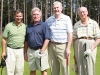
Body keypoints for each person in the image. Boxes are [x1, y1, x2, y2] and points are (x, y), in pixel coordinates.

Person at [45, 1, 73, 75]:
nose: (56, 9)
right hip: (51, 45)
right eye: (54, 8)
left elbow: (70, 34)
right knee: (53, 67)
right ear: (52, 9)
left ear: (61, 8)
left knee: (65, 67)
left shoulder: (66, 18)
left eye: (57, 8)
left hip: (63, 45)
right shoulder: (48, 20)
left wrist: (68, 48)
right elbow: (45, 33)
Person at [73, 6, 100, 75]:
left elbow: (98, 38)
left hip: (90, 44)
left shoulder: (94, 23)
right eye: (80, 12)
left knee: (90, 66)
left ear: (87, 12)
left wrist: (91, 49)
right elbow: (74, 39)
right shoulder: (76, 24)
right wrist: (75, 52)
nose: (82, 13)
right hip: (78, 45)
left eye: (83, 12)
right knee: (80, 66)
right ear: (78, 14)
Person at [24, 7, 50, 75]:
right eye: (34, 14)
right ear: (32, 15)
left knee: (43, 70)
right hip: (30, 51)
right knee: (32, 70)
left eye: (37, 14)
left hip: (41, 50)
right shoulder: (28, 26)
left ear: (40, 15)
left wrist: (42, 51)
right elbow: (26, 41)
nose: (36, 16)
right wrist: (25, 53)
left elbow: (47, 39)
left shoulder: (44, 25)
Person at [1, 9, 26, 75]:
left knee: (19, 71)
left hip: (20, 50)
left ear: (22, 17)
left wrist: (25, 52)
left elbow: (26, 40)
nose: (18, 18)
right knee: (10, 71)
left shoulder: (24, 27)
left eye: (20, 16)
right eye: (17, 16)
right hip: (10, 50)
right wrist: (3, 52)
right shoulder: (8, 26)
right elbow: (4, 39)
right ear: (14, 16)